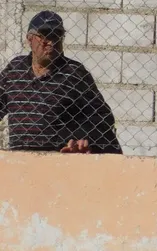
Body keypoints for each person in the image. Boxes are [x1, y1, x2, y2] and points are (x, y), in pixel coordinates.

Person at [0, 10, 121, 154]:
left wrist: (82, 137)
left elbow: (101, 115)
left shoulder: (74, 73)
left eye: (57, 36)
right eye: (45, 36)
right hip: (19, 159)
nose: (51, 42)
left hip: (59, 158)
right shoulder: (15, 69)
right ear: (29, 39)